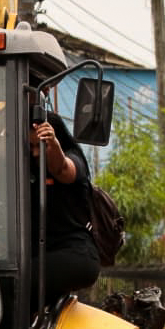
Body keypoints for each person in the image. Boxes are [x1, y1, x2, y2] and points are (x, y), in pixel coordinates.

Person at [30, 113, 100, 306]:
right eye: (31, 147)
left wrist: (52, 145)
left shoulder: (73, 160)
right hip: (41, 256)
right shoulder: (25, 169)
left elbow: (62, 170)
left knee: (14, 279)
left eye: (40, 146)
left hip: (75, 255)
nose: (35, 153)